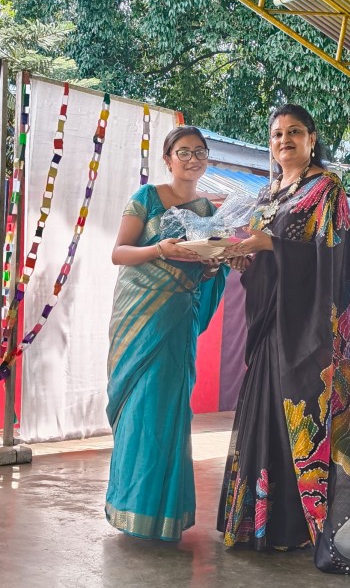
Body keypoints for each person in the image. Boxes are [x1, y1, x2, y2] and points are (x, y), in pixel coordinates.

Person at [217, 104, 350, 574]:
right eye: (276, 134)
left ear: (312, 138)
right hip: (272, 324)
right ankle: (270, 528)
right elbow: (263, 258)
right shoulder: (269, 193)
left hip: (311, 330)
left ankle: (321, 539)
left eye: (294, 132)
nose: (284, 140)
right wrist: (244, 258)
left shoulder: (326, 188)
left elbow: (334, 255)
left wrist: (270, 244)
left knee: (309, 422)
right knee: (269, 417)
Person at [105, 126, 228, 541]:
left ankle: (164, 515)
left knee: (171, 411)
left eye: (200, 152)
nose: (192, 159)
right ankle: (131, 507)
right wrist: (161, 249)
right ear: (168, 159)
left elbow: (207, 267)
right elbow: (119, 253)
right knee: (139, 410)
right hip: (140, 315)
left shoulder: (208, 210)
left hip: (177, 318)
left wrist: (213, 265)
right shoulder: (146, 198)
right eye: (184, 152)